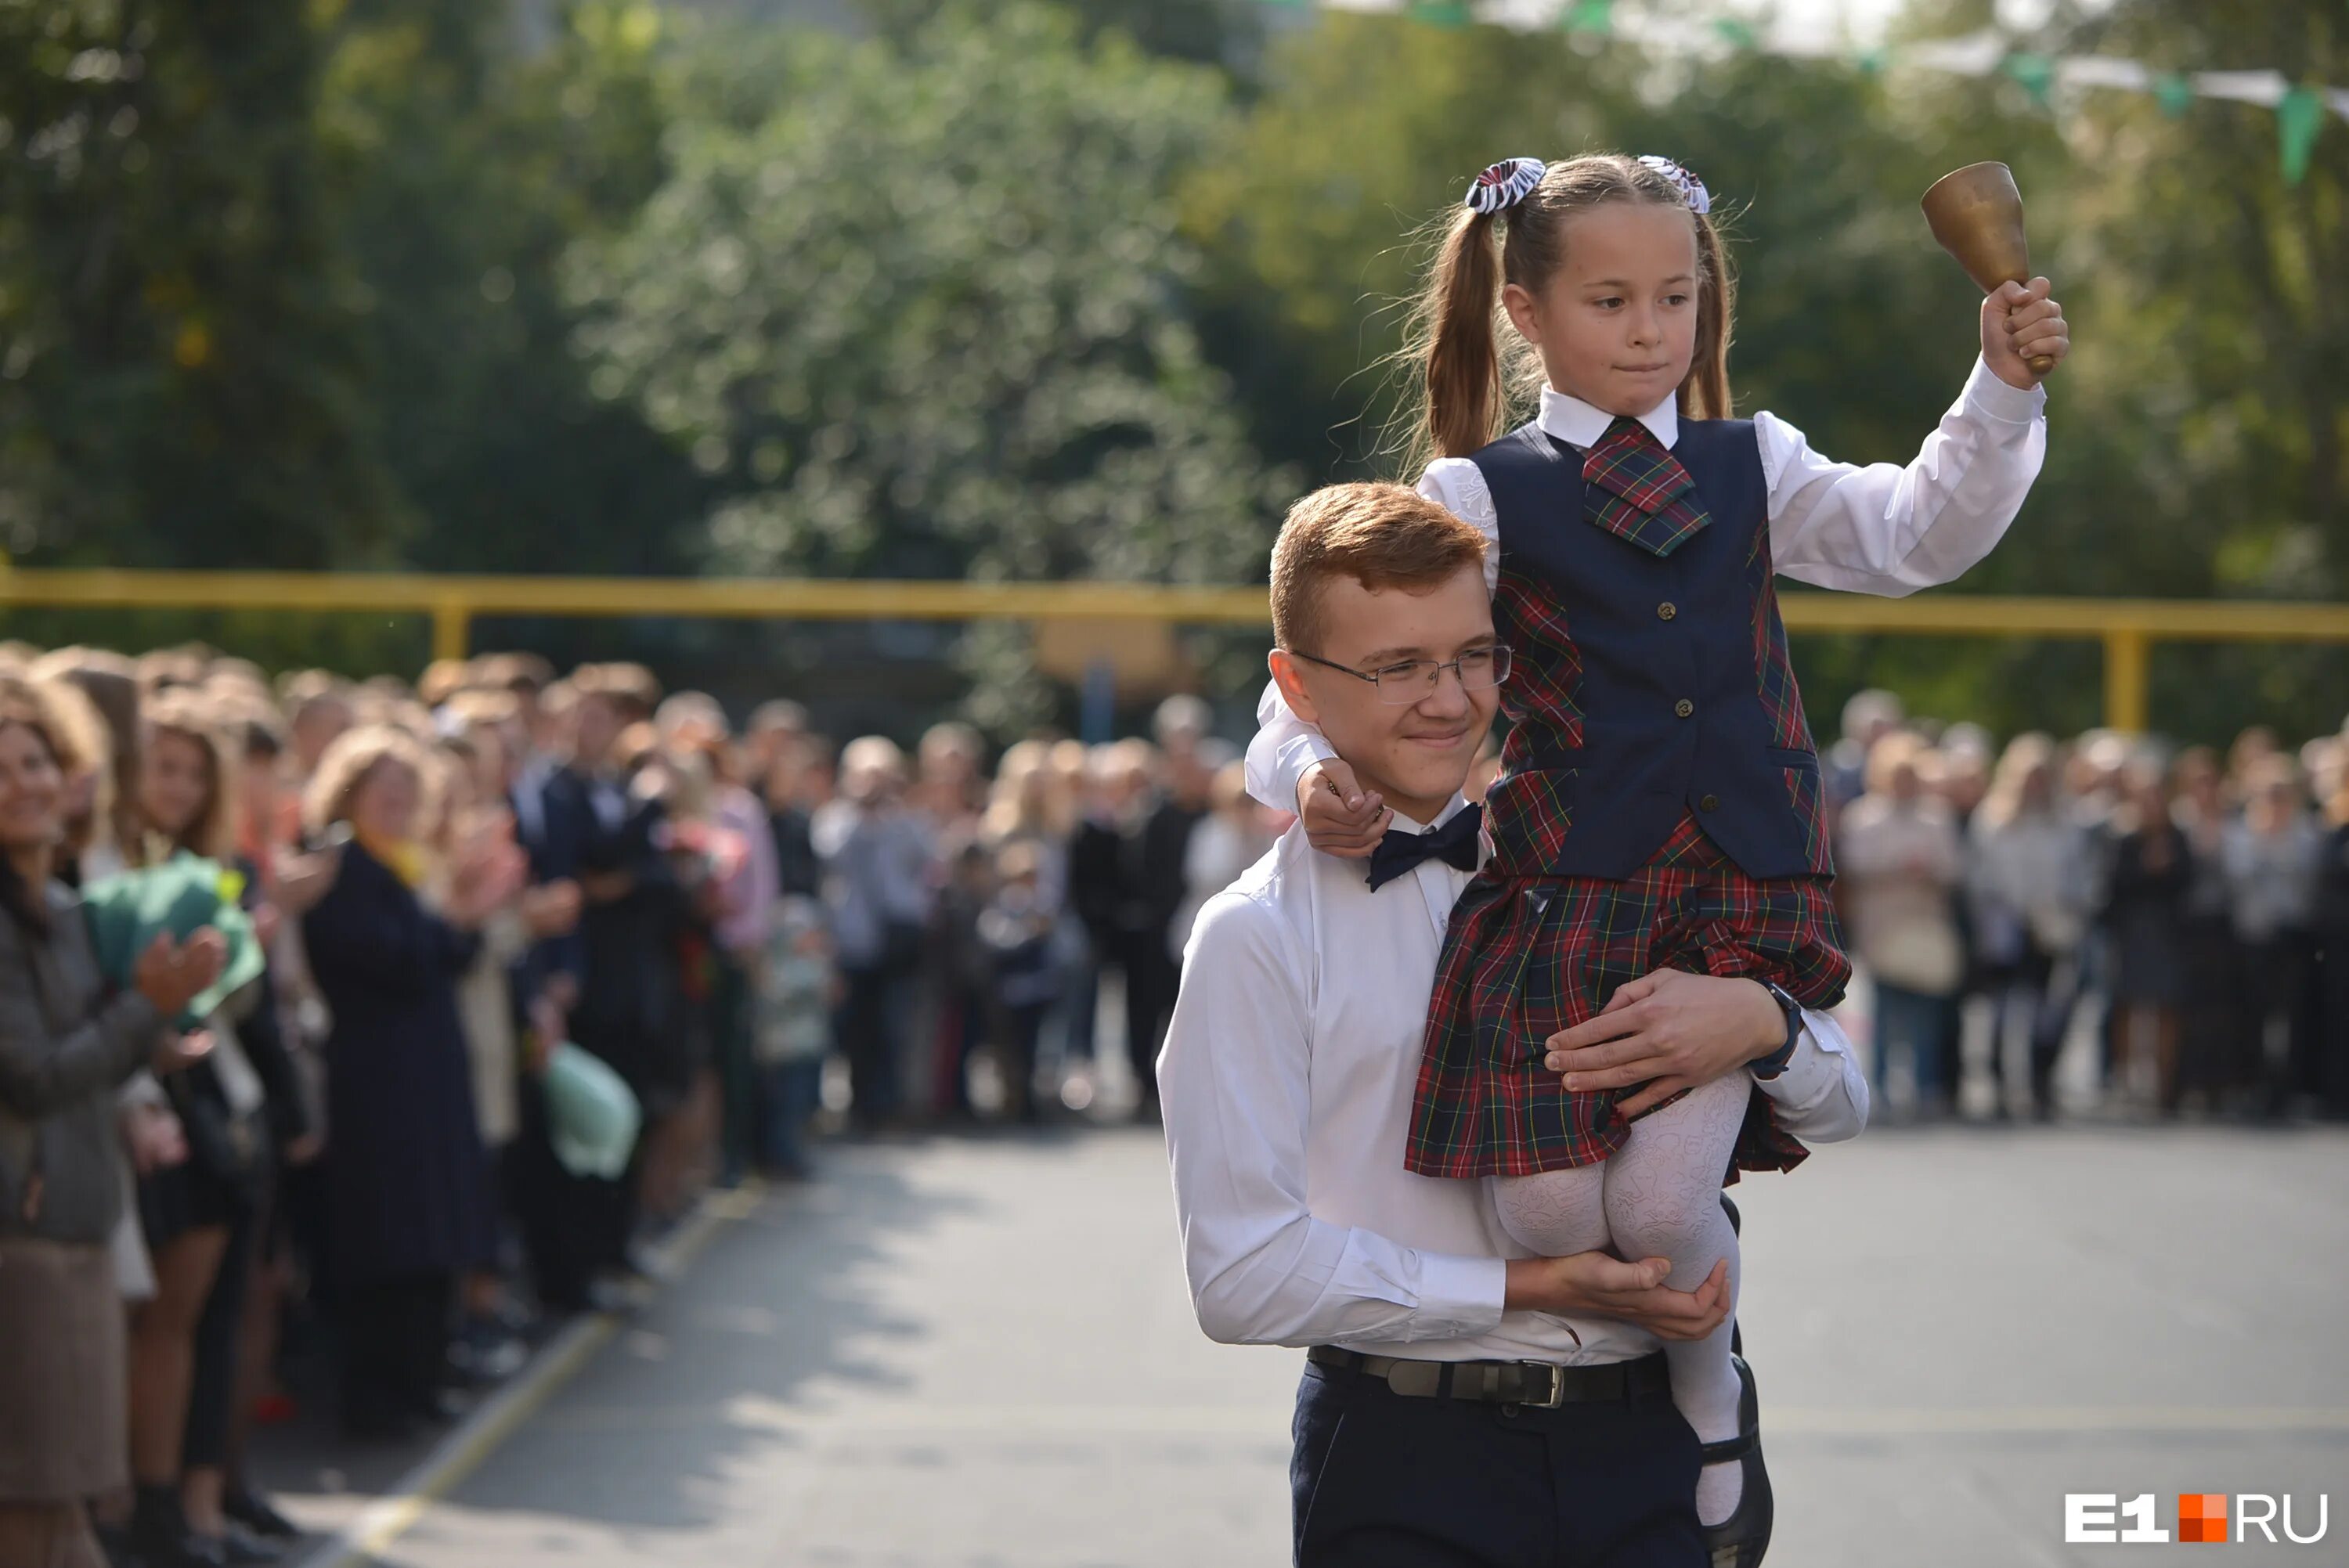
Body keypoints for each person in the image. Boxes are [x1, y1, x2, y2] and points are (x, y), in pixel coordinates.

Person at [1243, 152, 2058, 1548]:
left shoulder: (1759, 461)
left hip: (1732, 885)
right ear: (1526, 311)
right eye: (1611, 298)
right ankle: (1648, 1378)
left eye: (1675, 295)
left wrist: (2001, 387)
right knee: (1548, 1196)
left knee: (1669, 1196)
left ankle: (1708, 1379)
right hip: (1566, 890)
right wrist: (1315, 769)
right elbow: (1327, 673)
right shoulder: (1479, 489)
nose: (1649, 327)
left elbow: (1919, 531)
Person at [1163, 484, 1869, 1568]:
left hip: (1647, 1440)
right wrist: (1523, 1287)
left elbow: (1847, 1102)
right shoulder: (1255, 934)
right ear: (1296, 686)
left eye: (1474, 657)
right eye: (1398, 665)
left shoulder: (1600, 861)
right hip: (1407, 1452)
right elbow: (1241, 1273)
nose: (1448, 698)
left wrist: (1763, 1024)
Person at [0, 675, 223, 1568]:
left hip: (81, 1223)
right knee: (38, 1516)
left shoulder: (59, 909)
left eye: (35, 759)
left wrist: (154, 1037)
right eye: (0, 769)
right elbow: (32, 1078)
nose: (23, 782)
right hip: (27, 1243)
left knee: (69, 1514)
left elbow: (84, 1053)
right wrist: (143, 1010)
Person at [301, 726, 519, 1439]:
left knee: (432, 1232)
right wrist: (453, 914)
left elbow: (449, 952)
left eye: (405, 792)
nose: (396, 804)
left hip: (426, 1075)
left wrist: (463, 912)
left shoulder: (407, 866)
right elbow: (387, 957)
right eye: (382, 791)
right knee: (386, 1239)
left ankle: (422, 1377)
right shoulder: (342, 869)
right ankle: (380, 1393)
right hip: (376, 1080)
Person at [1837, 733, 1965, 1118]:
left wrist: (1927, 868)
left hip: (1925, 928)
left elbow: (1955, 867)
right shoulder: (1863, 816)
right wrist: (1900, 865)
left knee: (1924, 1012)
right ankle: (1880, 1089)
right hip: (1882, 929)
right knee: (1885, 1012)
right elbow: (1854, 865)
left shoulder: (1936, 816)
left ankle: (1924, 1088)